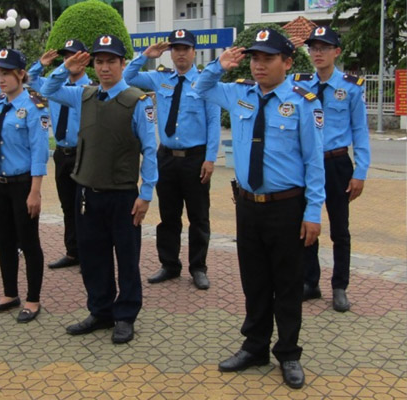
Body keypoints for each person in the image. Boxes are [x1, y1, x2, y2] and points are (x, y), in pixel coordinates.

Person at [193, 29, 325, 389]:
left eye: (267, 58)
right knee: (254, 282)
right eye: (254, 58)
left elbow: (315, 162)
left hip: (287, 207)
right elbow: (200, 90)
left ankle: (289, 353)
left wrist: (314, 212)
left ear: (286, 62)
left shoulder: (303, 100)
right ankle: (254, 347)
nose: (258, 65)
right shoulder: (239, 95)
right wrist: (218, 66)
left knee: (287, 284)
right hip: (248, 206)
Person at [41, 34, 158, 344]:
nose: (105, 68)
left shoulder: (137, 101)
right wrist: (65, 67)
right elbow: (46, 89)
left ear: (122, 64)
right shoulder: (84, 95)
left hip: (122, 195)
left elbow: (149, 150)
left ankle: (125, 315)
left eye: (111, 62)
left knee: (127, 258)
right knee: (94, 257)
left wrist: (146, 194)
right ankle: (101, 311)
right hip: (88, 193)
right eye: (100, 62)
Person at [123, 29, 220, 290]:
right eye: (175, 48)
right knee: (168, 215)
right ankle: (169, 264)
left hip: (195, 158)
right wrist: (146, 55)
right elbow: (128, 76)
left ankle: (198, 267)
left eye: (185, 48)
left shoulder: (204, 83)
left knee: (198, 217)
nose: (180, 53)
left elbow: (213, 123)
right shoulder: (160, 78)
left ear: (194, 52)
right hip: (166, 157)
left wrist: (210, 159)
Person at [291, 26, 370, 312]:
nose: (318, 53)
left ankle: (339, 286)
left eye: (324, 47)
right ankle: (310, 282)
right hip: (305, 165)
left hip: (336, 163)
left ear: (337, 51)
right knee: (306, 225)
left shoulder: (350, 86)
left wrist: (360, 171)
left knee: (340, 228)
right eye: (313, 48)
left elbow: (360, 131)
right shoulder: (298, 84)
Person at [0, 48, 49, 323]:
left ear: (21, 74)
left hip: (22, 186)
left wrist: (35, 192)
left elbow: (39, 152)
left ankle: (33, 299)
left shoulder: (35, 107)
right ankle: (10, 294)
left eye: (7, 73)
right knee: (5, 241)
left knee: (29, 242)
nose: (1, 79)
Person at [28, 39, 92, 269]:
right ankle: (72, 252)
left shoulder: (90, 89)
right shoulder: (54, 86)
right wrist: (40, 64)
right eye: (66, 57)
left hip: (83, 154)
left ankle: (88, 253)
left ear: (84, 59)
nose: (69, 60)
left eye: (74, 56)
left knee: (84, 206)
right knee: (67, 206)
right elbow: (31, 81)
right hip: (62, 154)